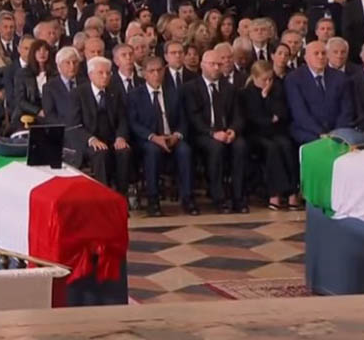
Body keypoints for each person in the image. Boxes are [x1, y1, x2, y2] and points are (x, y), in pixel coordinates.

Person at [127, 56, 194, 216]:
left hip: (171, 137)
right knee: (153, 152)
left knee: (185, 151)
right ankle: (153, 201)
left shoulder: (173, 93)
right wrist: (153, 137)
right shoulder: (135, 95)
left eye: (159, 70)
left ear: (164, 71)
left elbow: (183, 120)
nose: (156, 74)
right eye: (152, 71)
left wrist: (176, 135)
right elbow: (133, 123)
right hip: (149, 139)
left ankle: (187, 199)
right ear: (144, 74)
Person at [184, 49, 248, 213]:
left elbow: (238, 115)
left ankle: (238, 198)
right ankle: (219, 198)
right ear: (202, 66)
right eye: (212, 64)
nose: (216, 68)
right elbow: (194, 118)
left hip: (226, 132)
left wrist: (233, 130)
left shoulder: (229, 88)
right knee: (216, 148)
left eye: (219, 64)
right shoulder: (192, 88)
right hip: (204, 134)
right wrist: (213, 133)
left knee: (240, 146)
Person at [239, 61, 299, 211]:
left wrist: (266, 97)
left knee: (286, 145)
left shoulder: (277, 90)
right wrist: (270, 119)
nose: (268, 82)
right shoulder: (246, 93)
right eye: (264, 80)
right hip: (255, 135)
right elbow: (252, 118)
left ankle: (292, 192)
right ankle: (275, 193)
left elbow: (282, 113)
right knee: (272, 149)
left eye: (270, 79)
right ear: (254, 78)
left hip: (276, 132)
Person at [75, 56, 131, 196]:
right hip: (89, 140)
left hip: (112, 139)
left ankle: (121, 197)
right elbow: (74, 125)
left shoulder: (115, 91)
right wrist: (91, 139)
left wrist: (121, 137)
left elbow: (123, 119)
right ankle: (104, 197)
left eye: (108, 73)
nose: (105, 76)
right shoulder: (78, 94)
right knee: (100, 154)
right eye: (101, 73)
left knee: (124, 152)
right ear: (90, 74)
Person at [285, 41, 353, 145]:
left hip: (337, 130)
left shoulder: (340, 77)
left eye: (323, 53)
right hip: (308, 131)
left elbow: (346, 109)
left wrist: (337, 132)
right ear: (306, 58)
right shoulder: (294, 78)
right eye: (316, 53)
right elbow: (300, 113)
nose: (320, 57)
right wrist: (321, 133)